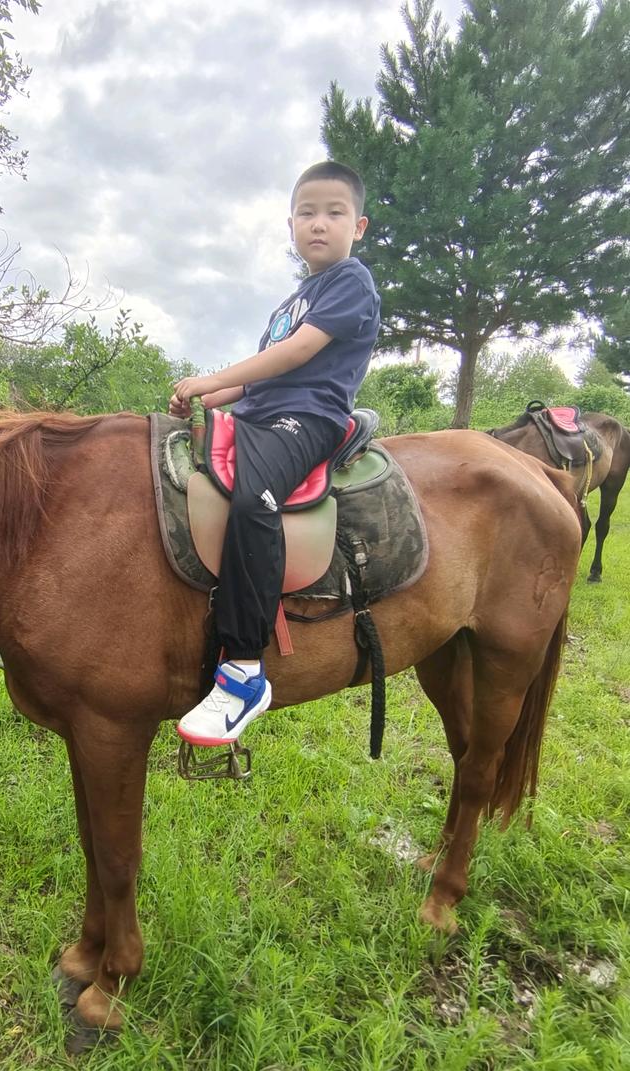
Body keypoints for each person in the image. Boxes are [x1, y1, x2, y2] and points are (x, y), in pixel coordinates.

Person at [169, 160, 381, 746]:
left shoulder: (349, 283)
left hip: (307, 419)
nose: (319, 223)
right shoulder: (292, 300)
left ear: (357, 226)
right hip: (260, 412)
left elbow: (294, 357)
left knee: (252, 500)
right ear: (290, 225)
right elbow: (254, 381)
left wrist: (218, 375)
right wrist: (206, 391)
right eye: (307, 213)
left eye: (334, 213)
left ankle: (244, 671)